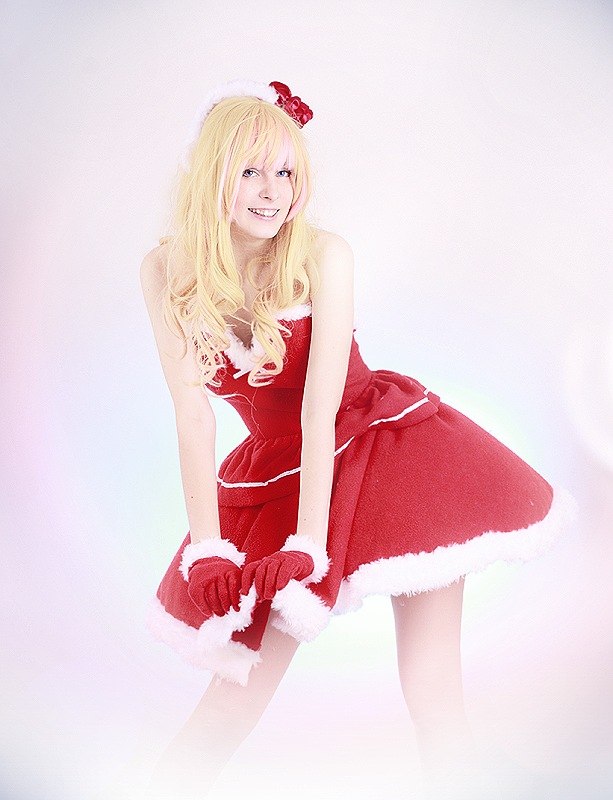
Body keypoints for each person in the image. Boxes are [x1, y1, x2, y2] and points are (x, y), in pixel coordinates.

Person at [139, 79, 577, 800]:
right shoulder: (165, 269)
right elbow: (192, 415)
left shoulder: (323, 254)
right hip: (278, 471)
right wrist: (208, 549)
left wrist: (308, 545)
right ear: (211, 173)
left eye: (287, 172)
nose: (272, 192)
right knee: (235, 693)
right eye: (250, 171)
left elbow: (321, 410)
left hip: (388, 453)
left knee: (431, 688)